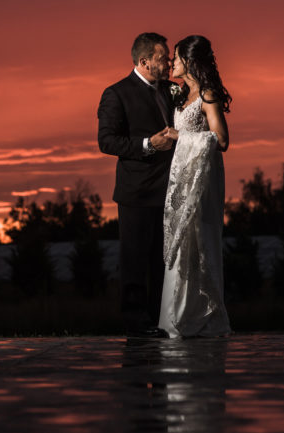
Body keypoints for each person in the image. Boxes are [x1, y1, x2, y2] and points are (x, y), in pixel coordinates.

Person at [97, 32, 175, 336]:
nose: (168, 62)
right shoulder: (116, 93)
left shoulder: (170, 90)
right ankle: (135, 325)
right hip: (137, 192)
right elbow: (106, 141)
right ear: (143, 61)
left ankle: (159, 322)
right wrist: (148, 144)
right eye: (162, 57)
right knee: (135, 260)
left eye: (169, 57)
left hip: (170, 190)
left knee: (162, 262)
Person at [157, 35, 232, 338]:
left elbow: (222, 139)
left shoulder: (207, 95)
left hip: (202, 181)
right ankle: (176, 317)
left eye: (175, 57)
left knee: (198, 240)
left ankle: (201, 317)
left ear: (188, 61)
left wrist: (180, 137)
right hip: (181, 180)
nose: (171, 63)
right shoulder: (180, 95)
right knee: (180, 243)